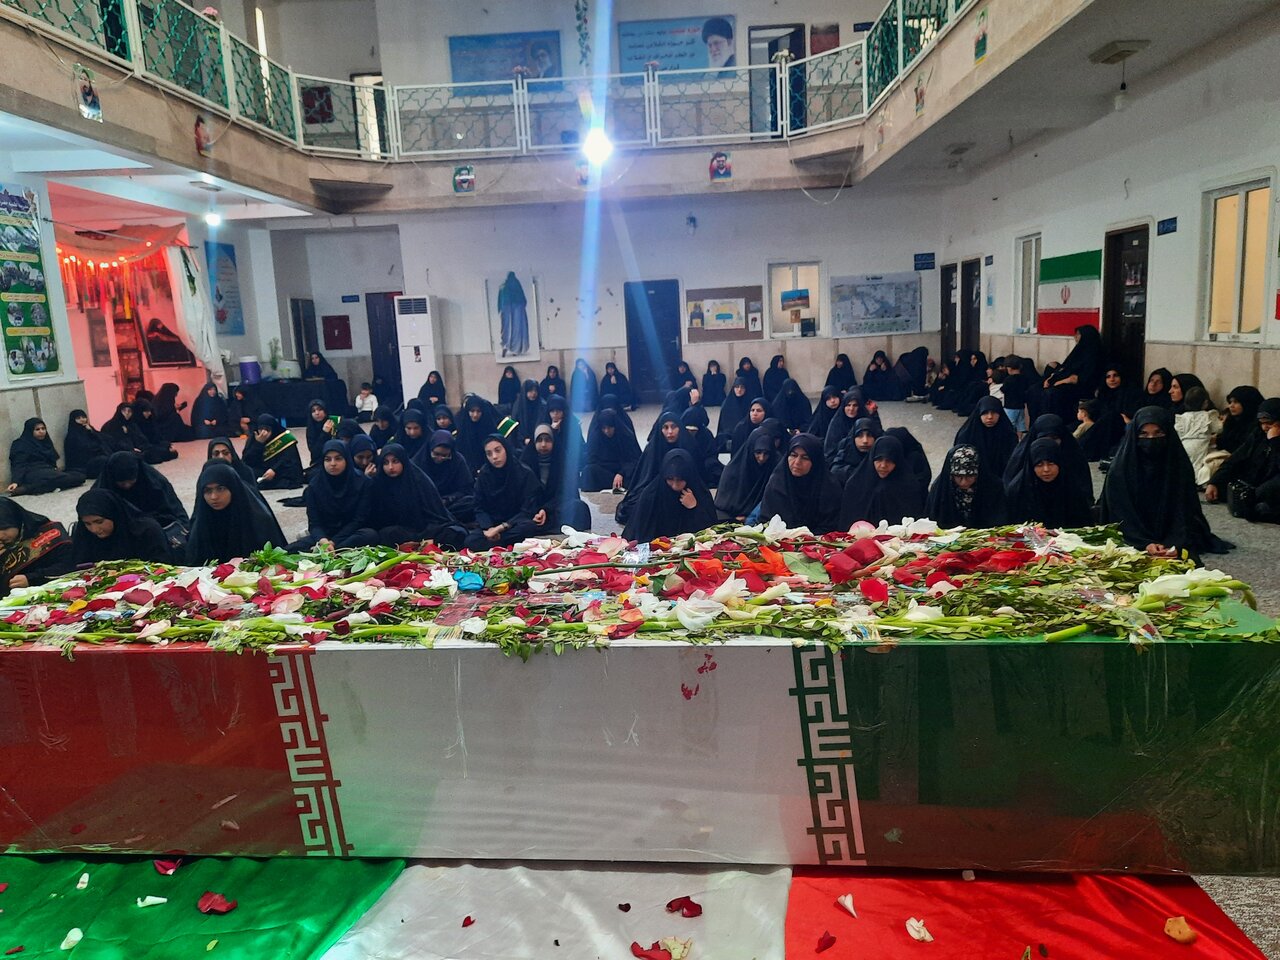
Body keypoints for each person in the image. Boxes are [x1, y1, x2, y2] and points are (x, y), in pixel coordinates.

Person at [1100, 407, 1227, 557]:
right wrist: (1143, 542)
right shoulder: (1121, 469)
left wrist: (1175, 543)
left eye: (1158, 433)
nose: (1151, 439)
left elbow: (1184, 511)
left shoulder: (1178, 465)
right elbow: (1120, 513)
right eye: (1144, 434)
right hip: (1133, 530)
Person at [364, 443, 466, 548]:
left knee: (455, 533)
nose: (390, 467)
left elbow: (435, 515)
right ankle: (419, 544)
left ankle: (421, 544)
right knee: (386, 534)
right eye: (385, 463)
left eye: (395, 461)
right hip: (402, 531)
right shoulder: (380, 482)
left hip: (426, 529)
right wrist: (367, 480)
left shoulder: (418, 480)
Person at [186, 461, 286, 564]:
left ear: (233, 488)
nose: (214, 497)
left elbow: (273, 562)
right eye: (208, 491)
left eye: (220, 489)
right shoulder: (202, 521)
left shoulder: (258, 521)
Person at [466, 434, 549, 550]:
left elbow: (528, 509)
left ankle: (498, 542)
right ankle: (503, 542)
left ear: (506, 449)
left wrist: (501, 527)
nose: (494, 457)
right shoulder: (485, 474)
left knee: (528, 527)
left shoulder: (524, 473)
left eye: (498, 451)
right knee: (471, 540)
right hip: (493, 523)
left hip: (515, 522)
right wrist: (488, 527)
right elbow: (478, 506)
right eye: (489, 454)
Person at [290, 440, 375, 551]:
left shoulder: (363, 482)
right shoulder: (314, 486)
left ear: (347, 459)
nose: (333, 464)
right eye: (328, 459)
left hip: (350, 534)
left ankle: (330, 551)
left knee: (369, 535)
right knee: (290, 549)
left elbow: (359, 520)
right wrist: (323, 540)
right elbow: (314, 523)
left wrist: (333, 542)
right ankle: (331, 551)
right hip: (325, 535)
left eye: (338, 459)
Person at [95, 451, 189, 550]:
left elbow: (175, 509)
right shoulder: (105, 486)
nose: (127, 486)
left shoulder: (155, 483)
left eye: (131, 481)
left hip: (154, 525)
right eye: (122, 483)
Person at [622, 449, 718, 543]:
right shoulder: (651, 495)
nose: (675, 485)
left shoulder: (700, 494)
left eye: (680, 480)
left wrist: (694, 507)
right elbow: (640, 534)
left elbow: (711, 532)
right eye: (670, 479)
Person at [1204, 398, 1280, 507]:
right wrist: (1214, 482)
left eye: (1270, 423)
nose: (1264, 427)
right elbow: (1235, 458)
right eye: (1261, 423)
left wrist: (1275, 441)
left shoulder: (1273, 437)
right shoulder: (1258, 435)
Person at [759, 434, 843, 534]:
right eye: (793, 455)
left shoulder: (829, 487)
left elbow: (830, 526)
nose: (797, 462)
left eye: (805, 458)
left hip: (817, 541)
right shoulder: (777, 483)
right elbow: (766, 521)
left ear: (815, 461)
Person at [1004, 437, 1094, 529]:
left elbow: (1084, 523)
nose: (1046, 469)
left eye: (1051, 463)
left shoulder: (1071, 487)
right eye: (1039, 465)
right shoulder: (1019, 490)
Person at [838, 434, 926, 528]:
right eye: (879, 459)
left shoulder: (909, 488)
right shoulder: (856, 485)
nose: (883, 465)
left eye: (889, 460)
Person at [1003, 413, 1093, 504]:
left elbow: (1084, 494)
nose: (1049, 443)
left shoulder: (1074, 458)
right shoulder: (1021, 463)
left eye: (1054, 438)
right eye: (1043, 438)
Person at [71, 488, 171, 565]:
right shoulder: (84, 534)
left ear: (113, 515)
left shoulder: (146, 531)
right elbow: (78, 566)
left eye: (99, 522)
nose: (94, 529)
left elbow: (162, 565)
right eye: (87, 524)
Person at [523, 423, 591, 532]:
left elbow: (567, 493)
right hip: (533, 511)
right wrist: (537, 510)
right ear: (534, 442)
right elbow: (523, 496)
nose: (543, 444)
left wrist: (546, 509)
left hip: (555, 508)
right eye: (539, 440)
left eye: (547, 440)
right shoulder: (525, 463)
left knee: (579, 508)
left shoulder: (563, 461)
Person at [0, 498, 73, 595]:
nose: (0, 535)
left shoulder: (50, 534)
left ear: (15, 521)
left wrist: (31, 579)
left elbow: (67, 567)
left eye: (3, 529)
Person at [925, 445, 1005, 528]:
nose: (964, 482)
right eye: (958, 476)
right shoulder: (939, 491)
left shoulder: (994, 488)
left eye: (970, 476)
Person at [715, 425, 782, 521]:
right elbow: (721, 506)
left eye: (766, 453)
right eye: (758, 452)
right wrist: (734, 519)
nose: (762, 458)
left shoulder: (775, 467)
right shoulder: (733, 471)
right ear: (750, 450)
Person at [7, 418, 84, 496]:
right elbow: (19, 464)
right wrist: (15, 482)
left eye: (43, 429)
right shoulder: (21, 444)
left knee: (80, 476)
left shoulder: (46, 442)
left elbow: (51, 459)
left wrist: (54, 469)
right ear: (30, 431)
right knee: (53, 478)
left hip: (48, 471)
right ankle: (27, 488)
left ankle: (34, 488)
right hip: (31, 472)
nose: (41, 431)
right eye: (37, 429)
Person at [416, 430, 476, 523]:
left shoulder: (458, 461)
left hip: (450, 503)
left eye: (444, 455)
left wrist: (447, 500)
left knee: (471, 502)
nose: (440, 458)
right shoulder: (419, 461)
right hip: (427, 504)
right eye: (436, 454)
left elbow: (466, 489)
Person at [954, 395, 1019, 479]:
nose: (990, 417)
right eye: (985, 413)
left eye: (994, 412)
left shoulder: (1008, 434)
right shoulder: (967, 435)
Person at [580, 409, 641, 492]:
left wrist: (621, 473)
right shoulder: (597, 437)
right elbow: (593, 460)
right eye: (604, 428)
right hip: (605, 470)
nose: (607, 431)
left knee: (637, 476)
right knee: (588, 471)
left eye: (610, 427)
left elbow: (634, 460)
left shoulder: (626, 436)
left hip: (623, 470)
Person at [1173, 386, 1221, 485]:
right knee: (1199, 464)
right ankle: (1198, 482)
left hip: (1184, 443)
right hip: (1200, 443)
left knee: (1186, 464)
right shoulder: (1208, 415)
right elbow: (1219, 429)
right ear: (1205, 403)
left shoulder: (1182, 417)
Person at [242, 415, 305, 489]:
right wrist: (258, 444)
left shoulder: (284, 438)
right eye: (261, 429)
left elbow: (289, 459)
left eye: (267, 429)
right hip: (263, 470)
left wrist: (274, 470)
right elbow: (247, 461)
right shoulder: (253, 438)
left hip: (279, 471)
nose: (264, 432)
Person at [830, 416, 882, 486]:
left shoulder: (882, 457)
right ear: (853, 438)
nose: (865, 441)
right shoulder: (844, 454)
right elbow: (835, 471)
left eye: (869, 435)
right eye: (860, 435)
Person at [824, 388, 873, 459]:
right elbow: (830, 450)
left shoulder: (866, 420)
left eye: (855, 405)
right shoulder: (837, 423)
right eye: (848, 405)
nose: (851, 409)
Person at [63, 409, 113, 478]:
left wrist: (92, 431)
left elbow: (104, 439)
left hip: (95, 459)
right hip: (83, 466)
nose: (82, 420)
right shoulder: (72, 435)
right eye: (78, 418)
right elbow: (82, 451)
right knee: (104, 460)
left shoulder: (89, 430)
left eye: (83, 417)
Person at [457, 394, 499, 475]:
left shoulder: (489, 428)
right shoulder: (463, 430)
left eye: (478, 411)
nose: (475, 415)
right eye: (472, 411)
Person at [680, 405, 721, 486]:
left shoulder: (706, 435)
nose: (691, 433)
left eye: (693, 430)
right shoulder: (680, 435)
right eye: (688, 430)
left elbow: (712, 454)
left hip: (704, 465)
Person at [1218, 386, 1265, 455]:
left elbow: (1245, 449)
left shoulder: (1260, 424)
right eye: (1230, 402)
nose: (1231, 406)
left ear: (1248, 403)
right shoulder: (1232, 420)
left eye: (1236, 402)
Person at [130, 399, 179, 463]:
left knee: (166, 448)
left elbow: (156, 438)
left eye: (150, 411)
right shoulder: (133, 424)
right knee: (152, 454)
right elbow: (140, 443)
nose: (149, 413)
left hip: (150, 444)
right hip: (142, 448)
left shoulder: (149, 420)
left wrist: (167, 445)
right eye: (146, 411)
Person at [511, 378, 549, 446]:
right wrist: (523, 439)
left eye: (535, 390)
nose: (533, 393)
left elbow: (544, 423)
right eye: (530, 390)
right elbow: (514, 424)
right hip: (519, 442)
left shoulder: (542, 405)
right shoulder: (518, 405)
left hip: (539, 441)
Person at [716, 377, 750, 453]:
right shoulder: (727, 404)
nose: (739, 390)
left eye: (742, 387)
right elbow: (724, 425)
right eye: (737, 387)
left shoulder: (749, 403)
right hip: (728, 434)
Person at [305, 399, 336, 473]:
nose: (317, 413)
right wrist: (324, 433)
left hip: (337, 459)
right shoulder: (311, 429)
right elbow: (315, 452)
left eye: (320, 409)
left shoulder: (335, 422)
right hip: (319, 462)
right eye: (313, 411)